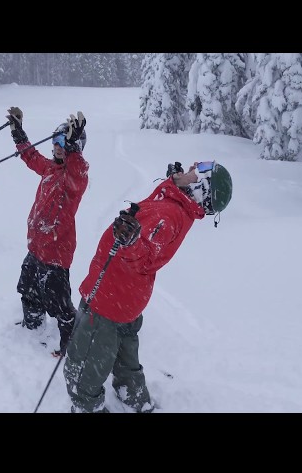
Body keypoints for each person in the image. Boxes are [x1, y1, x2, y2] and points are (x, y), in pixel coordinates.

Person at [63, 160, 233, 413]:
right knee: (124, 352)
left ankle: (86, 404)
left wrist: (131, 241)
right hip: (129, 297)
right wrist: (175, 181)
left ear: (202, 187)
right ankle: (133, 396)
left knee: (87, 358)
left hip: (109, 296)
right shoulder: (176, 203)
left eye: (202, 169)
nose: (195, 165)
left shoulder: (169, 215)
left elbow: (144, 254)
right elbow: (163, 200)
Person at [5, 107, 89, 357]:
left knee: (59, 303)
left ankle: (70, 343)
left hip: (55, 252)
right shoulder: (50, 168)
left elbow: (77, 170)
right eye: (55, 141)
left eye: (64, 141)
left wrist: (73, 149)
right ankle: (32, 322)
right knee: (28, 288)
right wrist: (19, 134)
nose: (58, 146)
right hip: (36, 246)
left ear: (76, 146)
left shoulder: (75, 176)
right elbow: (31, 157)